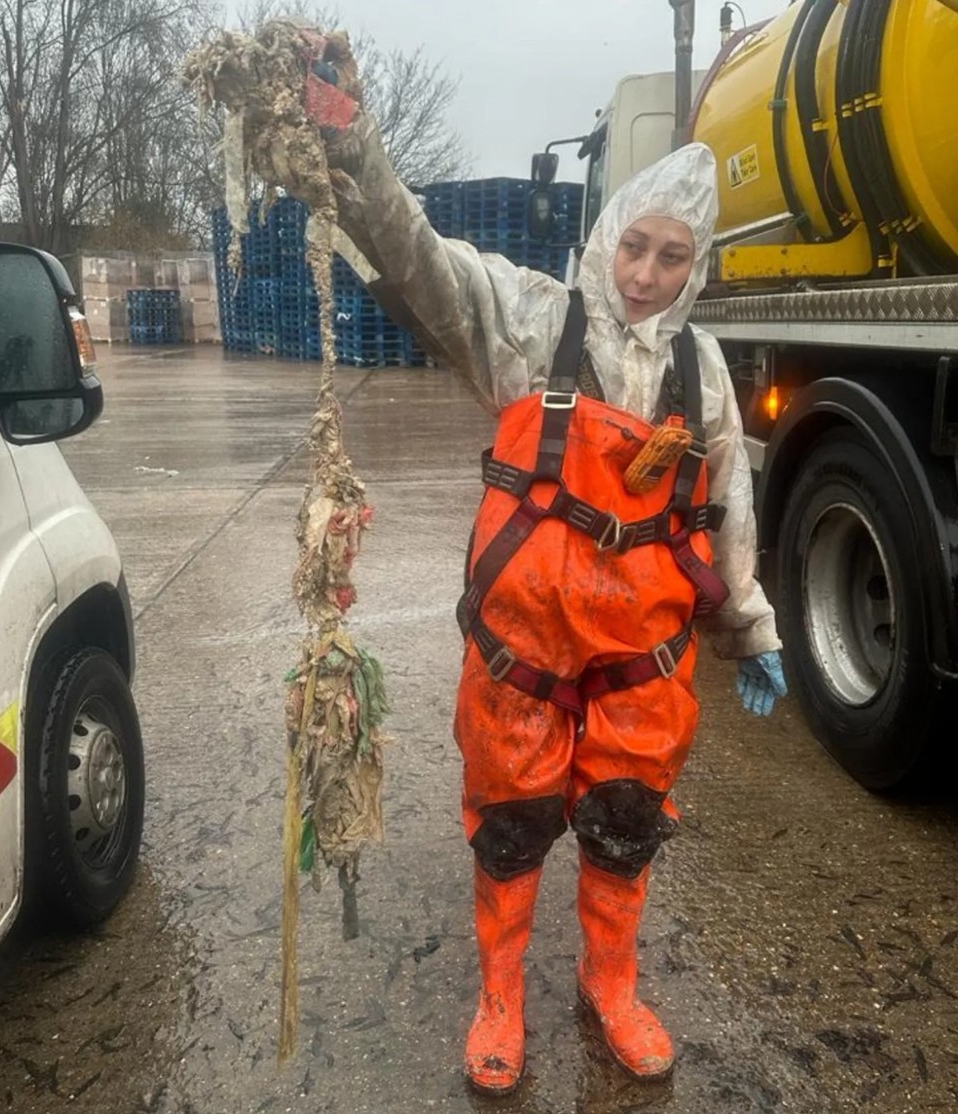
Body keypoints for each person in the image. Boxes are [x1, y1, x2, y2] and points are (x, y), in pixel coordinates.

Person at [323, 116, 787, 1095]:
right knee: (512, 818)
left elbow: (728, 503)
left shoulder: (702, 373)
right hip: (522, 654)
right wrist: (355, 151)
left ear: (694, 267)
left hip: (641, 662)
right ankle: (500, 992)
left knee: (627, 820)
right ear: (605, 237)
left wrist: (749, 625)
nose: (646, 274)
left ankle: (608, 980)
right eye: (633, 246)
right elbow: (427, 265)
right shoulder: (537, 325)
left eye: (671, 256)